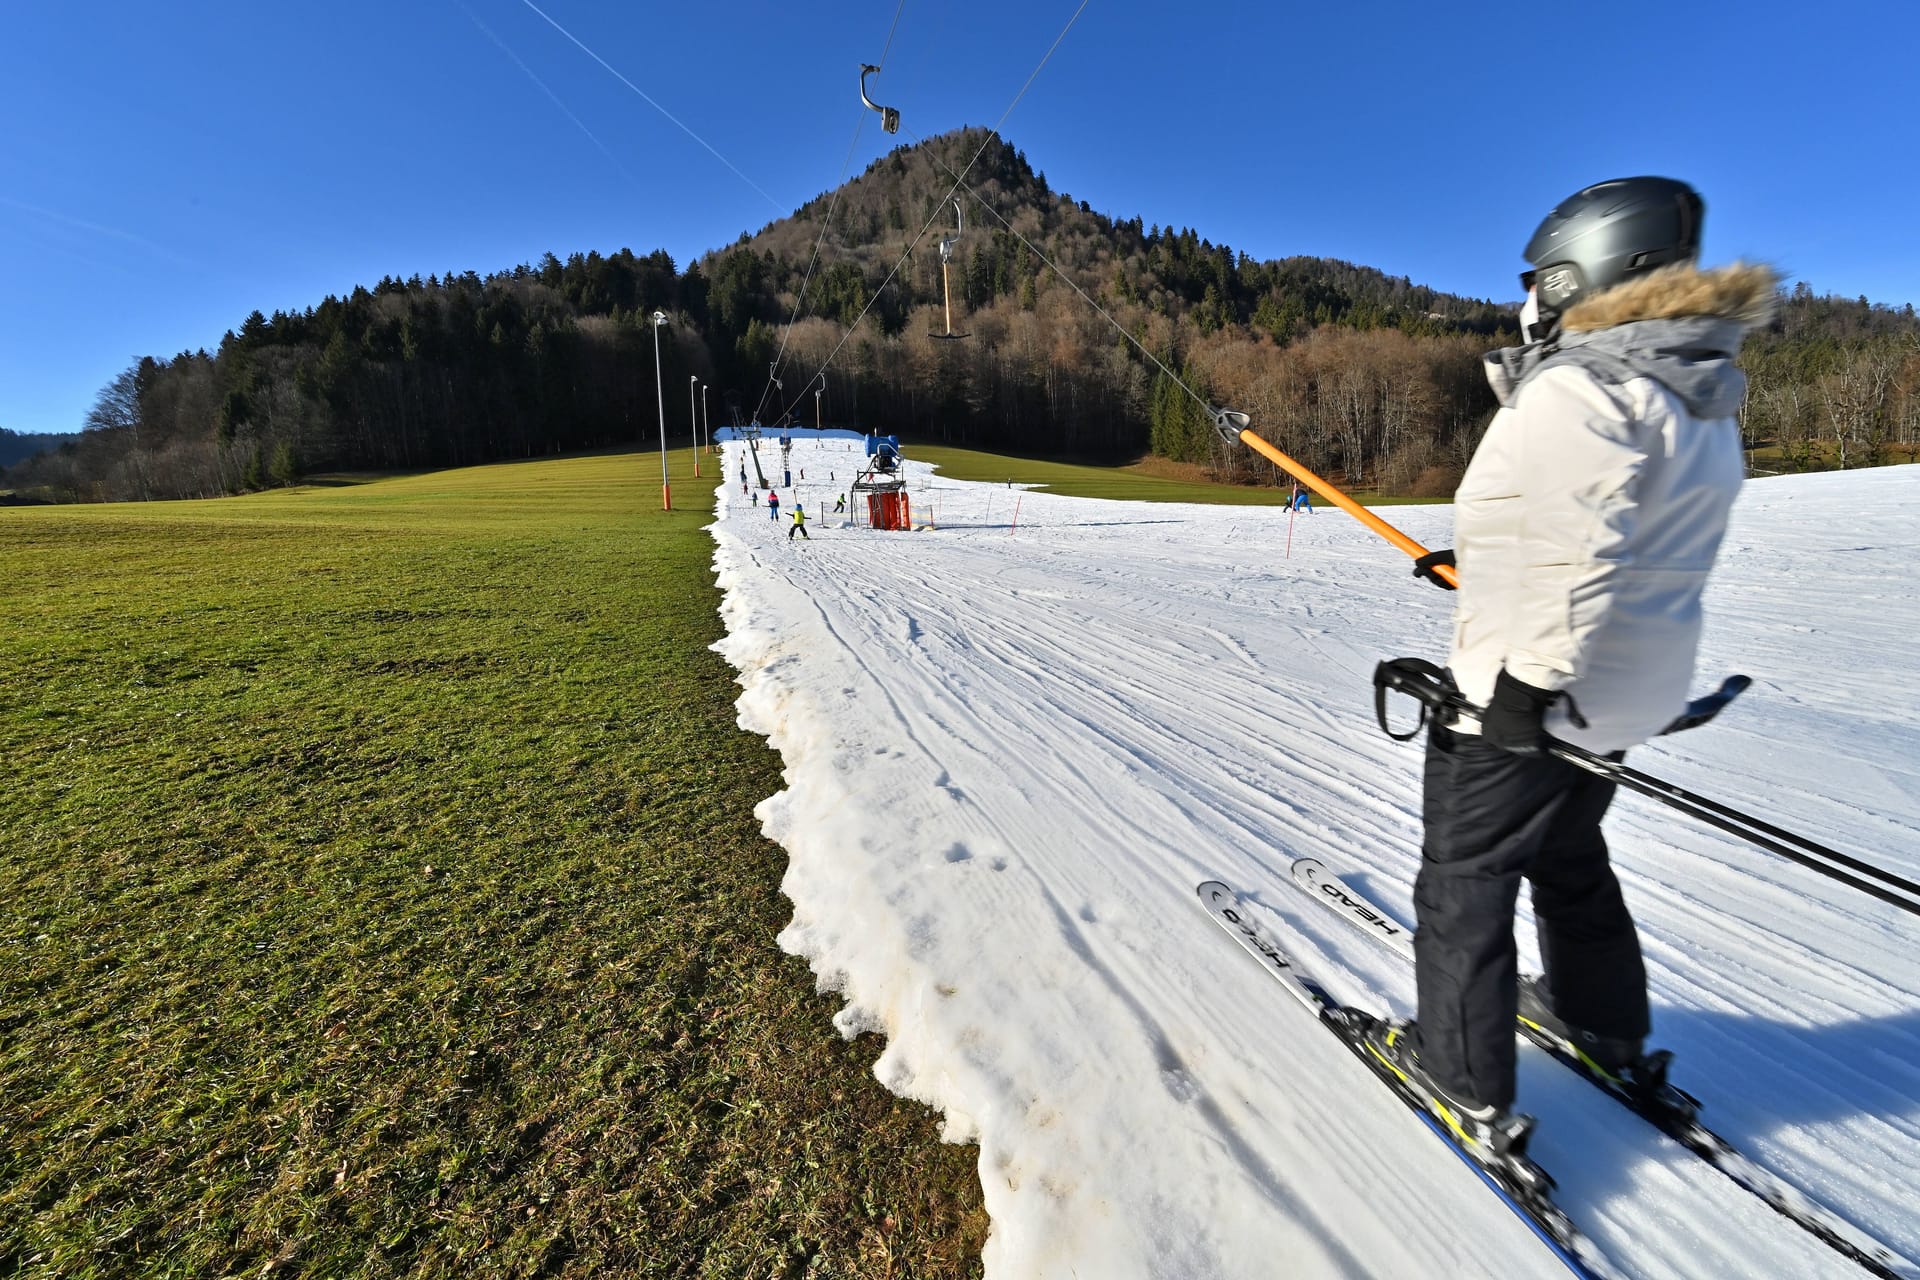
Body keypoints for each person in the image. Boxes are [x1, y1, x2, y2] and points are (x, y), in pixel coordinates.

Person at [1366, 177, 1777, 1159]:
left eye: (1545, 280)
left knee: (1464, 882)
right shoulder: (1698, 395)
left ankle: (1461, 1076)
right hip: (1620, 699)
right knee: (1570, 859)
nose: (1532, 302)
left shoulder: (1584, 388)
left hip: (1533, 701)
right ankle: (1603, 1025)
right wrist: (1486, 571)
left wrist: (1518, 691)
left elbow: (1573, 553)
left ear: (1590, 272)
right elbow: (1619, 544)